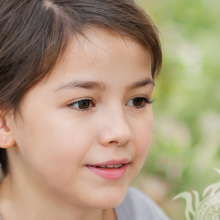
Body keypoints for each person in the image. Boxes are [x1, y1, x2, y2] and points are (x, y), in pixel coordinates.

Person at [0, 0, 170, 219]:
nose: (121, 132)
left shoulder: (145, 213)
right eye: (83, 104)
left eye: (137, 101)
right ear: (4, 122)